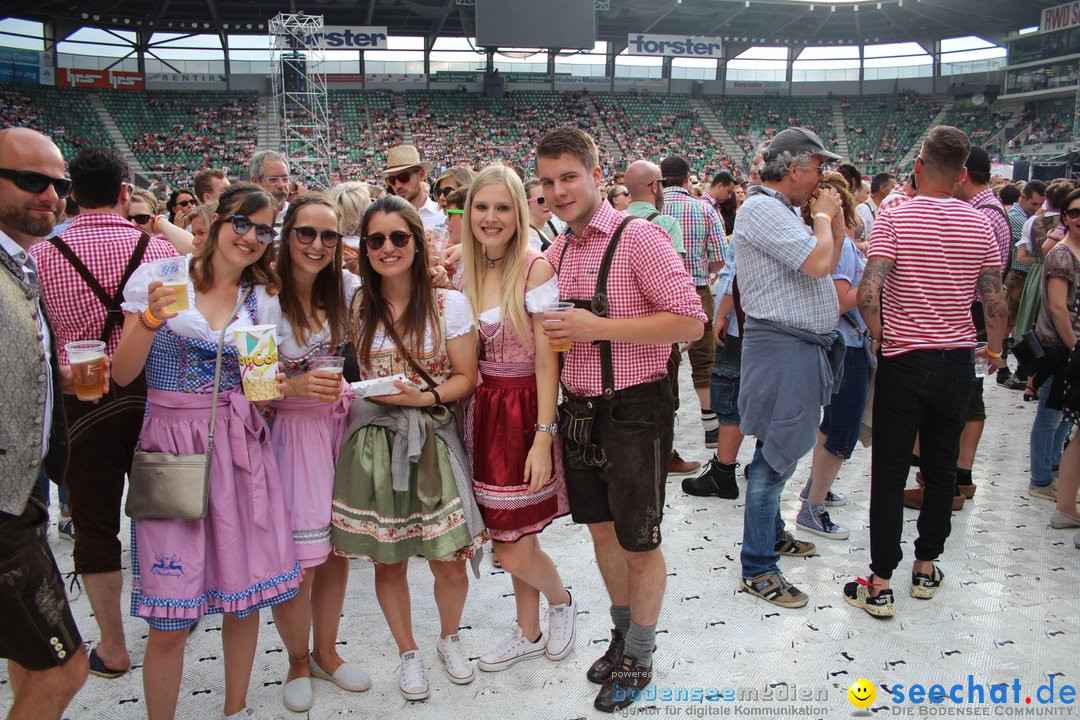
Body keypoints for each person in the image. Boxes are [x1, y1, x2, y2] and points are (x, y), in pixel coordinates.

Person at [111, 183, 302, 719]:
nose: (251, 238)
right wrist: (149, 320)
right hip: (171, 449)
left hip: (240, 448)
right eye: (242, 223)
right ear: (215, 220)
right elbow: (124, 375)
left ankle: (234, 709)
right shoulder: (160, 280)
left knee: (243, 598)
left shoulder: (263, 298)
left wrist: (289, 382)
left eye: (264, 230)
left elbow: (262, 394)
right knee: (169, 617)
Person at [537, 127, 706, 713]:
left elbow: (690, 322)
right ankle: (620, 631)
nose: (559, 191)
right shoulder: (555, 253)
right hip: (579, 411)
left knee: (639, 541)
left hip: (636, 408)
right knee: (602, 532)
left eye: (569, 178)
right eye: (549, 182)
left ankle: (641, 649)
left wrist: (598, 327)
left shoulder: (640, 240)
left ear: (594, 173)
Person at [29, 146, 178, 682]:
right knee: (164, 509)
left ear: (70, 194)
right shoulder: (154, 246)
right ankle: (173, 616)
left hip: (82, 397)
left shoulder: (43, 254)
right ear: (123, 192)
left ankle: (113, 647)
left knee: (93, 522)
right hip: (151, 391)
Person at [846, 126, 1007, 618]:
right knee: (942, 468)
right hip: (956, 358)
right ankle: (926, 564)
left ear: (918, 166)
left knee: (891, 469)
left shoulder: (895, 215)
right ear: (962, 174)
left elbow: (870, 289)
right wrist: (995, 351)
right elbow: (994, 297)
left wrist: (879, 333)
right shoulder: (981, 223)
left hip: (905, 357)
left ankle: (879, 579)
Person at [330, 195, 484, 702]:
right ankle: (408, 652)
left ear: (417, 243)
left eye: (400, 237)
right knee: (388, 560)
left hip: (432, 440)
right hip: (373, 442)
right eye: (377, 239)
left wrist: (426, 397)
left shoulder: (448, 304)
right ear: (365, 249)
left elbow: (467, 377)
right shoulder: (357, 304)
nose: (388, 247)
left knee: (448, 559)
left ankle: (449, 637)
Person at [457, 166, 576, 673]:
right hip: (481, 412)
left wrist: (543, 437)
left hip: (525, 412)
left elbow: (550, 359)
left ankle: (562, 601)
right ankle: (528, 632)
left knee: (514, 545)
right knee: (511, 535)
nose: (491, 217)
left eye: (502, 207)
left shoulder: (537, 269)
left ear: (520, 213)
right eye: (482, 207)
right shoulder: (464, 271)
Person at [734, 127, 845, 610]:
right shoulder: (761, 208)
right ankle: (758, 566)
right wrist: (821, 217)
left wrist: (832, 222)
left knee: (777, 449)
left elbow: (829, 258)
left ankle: (772, 535)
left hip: (794, 348)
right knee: (774, 460)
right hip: (783, 348)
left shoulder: (780, 211)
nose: (822, 178)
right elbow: (819, 265)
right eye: (819, 168)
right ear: (795, 168)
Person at [267, 193, 370, 712]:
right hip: (291, 436)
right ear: (287, 236)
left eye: (329, 236)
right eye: (306, 233)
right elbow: (249, 385)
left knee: (336, 553)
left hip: (340, 428)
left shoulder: (348, 288)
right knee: (301, 561)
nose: (317, 244)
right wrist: (295, 388)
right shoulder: (263, 298)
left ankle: (328, 652)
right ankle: (297, 659)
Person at [0, 126, 90, 720]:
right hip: (4, 513)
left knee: (32, 660)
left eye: (59, 184)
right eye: (31, 181)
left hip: (23, 491)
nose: (50, 196)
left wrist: (48, 384)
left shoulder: (21, 261)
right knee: (64, 669)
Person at [795, 174, 869, 540]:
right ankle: (813, 507)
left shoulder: (826, 242)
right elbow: (839, 301)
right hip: (845, 344)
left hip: (842, 343)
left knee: (834, 425)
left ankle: (815, 490)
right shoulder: (836, 247)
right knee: (842, 429)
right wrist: (873, 281)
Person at [622, 159, 697, 476]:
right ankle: (663, 455)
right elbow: (675, 280)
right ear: (655, 187)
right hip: (659, 330)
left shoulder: (616, 222)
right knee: (665, 396)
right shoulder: (665, 224)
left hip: (623, 328)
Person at [661, 155, 726, 449]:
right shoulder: (703, 209)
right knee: (704, 360)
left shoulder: (654, 211)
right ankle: (710, 426)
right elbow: (720, 259)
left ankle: (666, 430)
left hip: (659, 293)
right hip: (697, 289)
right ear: (687, 177)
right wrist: (702, 269)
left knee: (661, 360)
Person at [1002, 180, 1047, 388]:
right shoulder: (1018, 219)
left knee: (1017, 325)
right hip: (1017, 277)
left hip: (1022, 277)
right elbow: (1023, 255)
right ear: (1022, 198)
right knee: (1010, 324)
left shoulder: (1028, 218)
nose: (1037, 209)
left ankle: (1013, 370)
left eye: (1040, 204)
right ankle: (1004, 369)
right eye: (1034, 204)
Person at [380, 145, 445, 229]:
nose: (398, 185)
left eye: (404, 177)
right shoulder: (386, 219)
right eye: (391, 180)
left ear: (421, 175)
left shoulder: (442, 215)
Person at [249, 150, 291, 227]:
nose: (281, 185)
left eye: (285, 179)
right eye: (273, 179)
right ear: (255, 182)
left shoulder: (298, 215)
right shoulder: (244, 217)